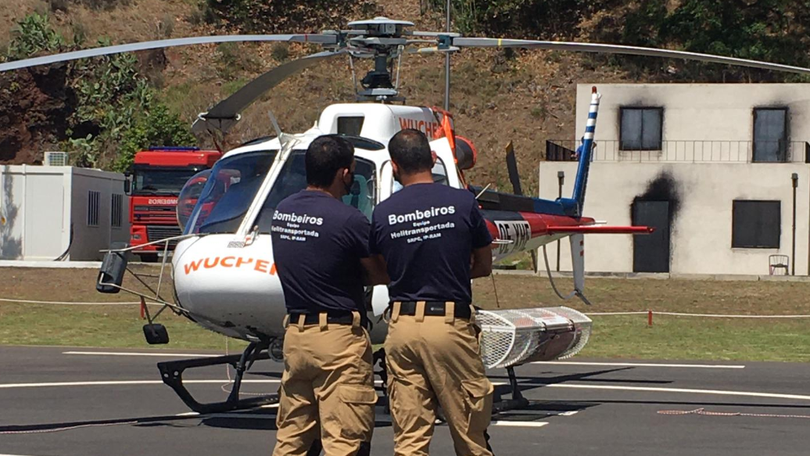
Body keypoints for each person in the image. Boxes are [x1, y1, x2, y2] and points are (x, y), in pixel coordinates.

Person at [369, 129, 495, 456]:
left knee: (410, 438)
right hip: (449, 324)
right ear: (434, 159)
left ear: (394, 166)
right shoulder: (463, 203)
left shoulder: (383, 213)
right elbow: (484, 264)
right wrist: (450, 270)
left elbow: (380, 269)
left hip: (402, 327)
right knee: (470, 433)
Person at [271, 135, 388, 456]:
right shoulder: (349, 219)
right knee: (345, 439)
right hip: (337, 340)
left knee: (293, 439)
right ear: (344, 173)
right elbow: (380, 273)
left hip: (296, 336)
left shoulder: (283, 212)